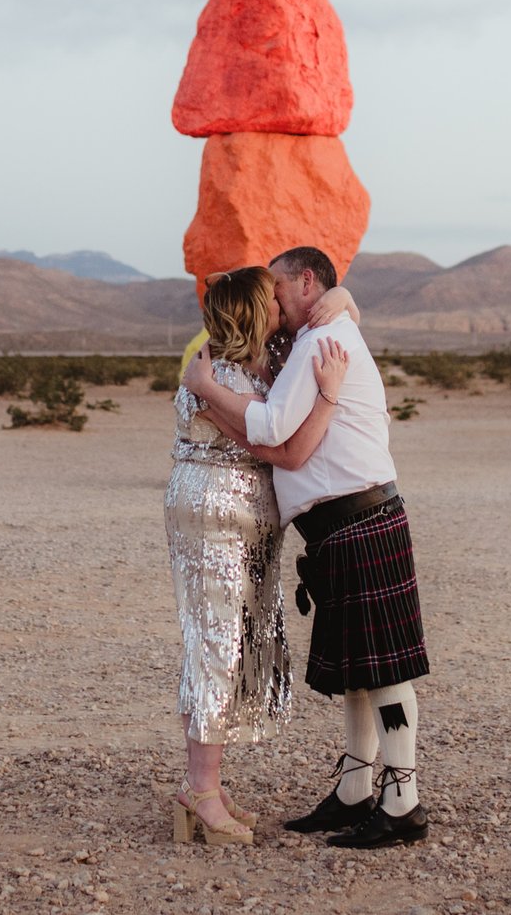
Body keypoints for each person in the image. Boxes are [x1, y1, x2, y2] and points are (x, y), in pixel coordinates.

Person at [183, 245, 432, 849]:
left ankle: (403, 803)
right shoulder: (320, 333)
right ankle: (354, 791)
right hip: (343, 526)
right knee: (359, 668)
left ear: (305, 281)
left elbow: (271, 427)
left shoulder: (321, 340)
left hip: (357, 519)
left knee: (386, 667)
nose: (273, 299)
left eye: (277, 287)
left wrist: (205, 389)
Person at [164, 266, 353, 847]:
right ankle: (198, 793)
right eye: (268, 301)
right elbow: (279, 448)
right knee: (217, 641)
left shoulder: (257, 361)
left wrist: (341, 296)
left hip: (242, 514)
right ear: (251, 313)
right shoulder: (214, 374)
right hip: (215, 512)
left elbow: (337, 314)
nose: (280, 305)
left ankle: (210, 788)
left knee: (234, 638)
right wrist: (327, 396)